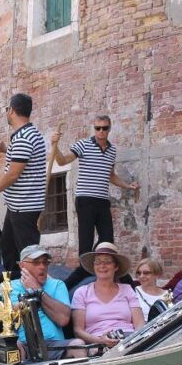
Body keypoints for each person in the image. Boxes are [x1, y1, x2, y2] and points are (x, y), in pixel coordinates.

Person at [50, 116, 140, 290]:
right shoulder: (83, 145)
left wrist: (128, 186)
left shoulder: (112, 150)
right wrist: (55, 145)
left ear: (109, 129)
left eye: (104, 128)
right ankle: (73, 281)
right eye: (98, 128)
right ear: (94, 129)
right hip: (85, 200)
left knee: (108, 242)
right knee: (86, 247)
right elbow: (62, 161)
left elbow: (110, 175)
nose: (101, 131)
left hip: (102, 201)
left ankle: (110, 274)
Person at [0, 245, 84, 360]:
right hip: (20, 345)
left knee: (79, 345)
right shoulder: (4, 287)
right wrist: (11, 313)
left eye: (45, 262)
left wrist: (38, 291)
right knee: (14, 348)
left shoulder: (57, 285)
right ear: (22, 265)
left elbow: (63, 319)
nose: (42, 267)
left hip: (53, 345)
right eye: (36, 263)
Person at [0, 93, 47, 274]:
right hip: (17, 206)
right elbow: (23, 159)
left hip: (24, 207)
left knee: (29, 256)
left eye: (7, 109)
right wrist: (6, 149)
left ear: (11, 110)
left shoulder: (23, 138)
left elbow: (13, 174)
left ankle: (33, 287)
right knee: (9, 251)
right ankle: (12, 285)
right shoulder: (27, 134)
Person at [72, 243, 144, 350]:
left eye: (107, 262)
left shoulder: (127, 290)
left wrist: (133, 342)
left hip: (128, 342)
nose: (102, 266)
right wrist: (100, 341)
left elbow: (140, 324)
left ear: (116, 266)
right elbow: (78, 330)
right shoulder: (82, 292)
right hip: (97, 345)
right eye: (98, 262)